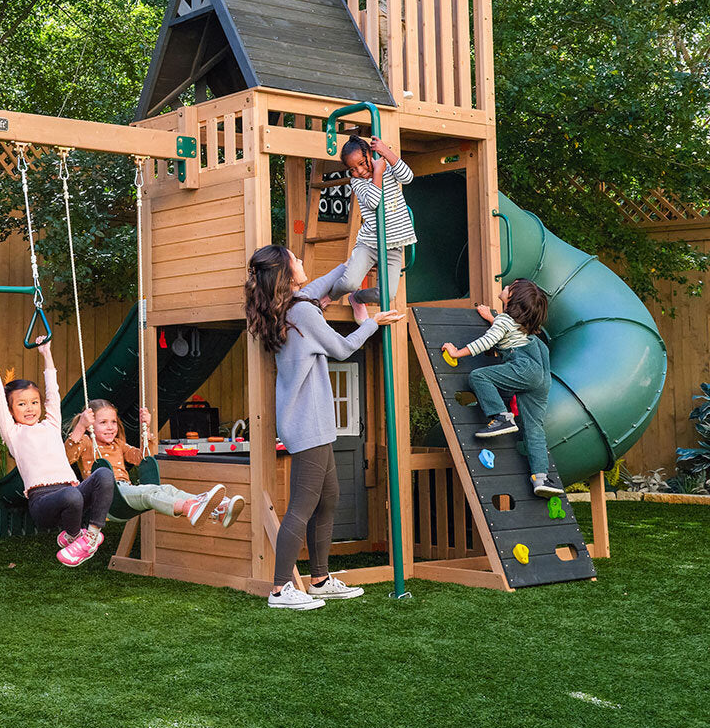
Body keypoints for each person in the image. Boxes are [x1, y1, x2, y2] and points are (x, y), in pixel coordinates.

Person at [245, 245, 404, 610]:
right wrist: (373, 323)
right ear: (286, 273)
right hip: (308, 423)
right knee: (302, 507)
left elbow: (322, 284)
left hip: (312, 422)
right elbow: (343, 349)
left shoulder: (291, 305)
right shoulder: (302, 311)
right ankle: (280, 589)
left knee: (328, 498)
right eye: (295, 259)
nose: (301, 262)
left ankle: (319, 580)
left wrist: (355, 260)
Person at [0, 339, 114, 567]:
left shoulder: (51, 424)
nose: (30, 408)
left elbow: (53, 392)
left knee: (104, 474)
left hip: (72, 493)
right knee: (71, 495)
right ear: (10, 410)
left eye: (34, 402)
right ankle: (74, 536)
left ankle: (91, 536)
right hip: (43, 503)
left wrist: (47, 353)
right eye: (21, 404)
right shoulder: (13, 433)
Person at [441, 279, 564, 498]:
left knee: (479, 376)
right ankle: (541, 478)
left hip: (525, 368)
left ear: (512, 297)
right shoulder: (520, 323)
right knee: (534, 429)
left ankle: (501, 417)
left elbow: (487, 341)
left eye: (510, 287)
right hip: (542, 375)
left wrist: (456, 352)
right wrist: (491, 317)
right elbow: (505, 331)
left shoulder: (504, 321)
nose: (506, 286)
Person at [66, 400, 245, 530]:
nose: (111, 427)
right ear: (90, 425)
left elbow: (143, 458)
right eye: (103, 423)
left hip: (125, 492)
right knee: (149, 492)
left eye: (113, 422)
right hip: (108, 500)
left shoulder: (118, 444)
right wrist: (80, 427)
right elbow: (67, 457)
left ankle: (217, 510)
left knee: (167, 489)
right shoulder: (86, 443)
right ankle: (190, 508)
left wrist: (147, 430)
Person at [326, 133, 416, 319]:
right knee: (350, 283)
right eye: (353, 169)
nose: (359, 171)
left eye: (362, 163)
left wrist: (386, 152)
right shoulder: (357, 182)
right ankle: (329, 296)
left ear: (371, 154)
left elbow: (408, 177)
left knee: (387, 295)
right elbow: (373, 202)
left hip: (393, 246)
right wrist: (377, 173)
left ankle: (357, 298)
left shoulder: (388, 169)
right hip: (369, 243)